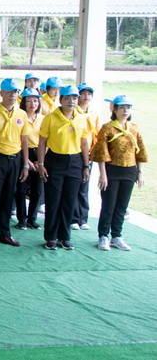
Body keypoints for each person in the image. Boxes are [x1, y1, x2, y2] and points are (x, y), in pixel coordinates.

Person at [90, 95, 148, 251]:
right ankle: (103, 236)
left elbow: (140, 151)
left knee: (122, 206)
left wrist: (140, 172)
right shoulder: (107, 128)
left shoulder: (134, 128)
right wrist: (103, 175)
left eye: (128, 108)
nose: (125, 111)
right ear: (114, 109)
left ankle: (116, 236)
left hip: (129, 171)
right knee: (108, 205)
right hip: (112, 170)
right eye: (121, 107)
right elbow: (101, 153)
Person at [37, 85, 90, 251]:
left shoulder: (81, 119)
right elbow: (42, 143)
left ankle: (65, 237)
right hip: (55, 161)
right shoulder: (50, 118)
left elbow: (84, 143)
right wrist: (41, 164)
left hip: (75, 162)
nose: (71, 102)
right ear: (60, 100)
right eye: (67, 98)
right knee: (53, 201)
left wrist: (86, 165)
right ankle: (51, 237)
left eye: (74, 98)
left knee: (69, 201)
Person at [0, 79, 29, 248]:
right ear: (1, 93)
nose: (13, 95)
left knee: (9, 197)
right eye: (9, 92)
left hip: (15, 159)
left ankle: (5, 233)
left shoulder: (21, 114)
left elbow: (24, 140)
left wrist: (25, 164)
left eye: (15, 92)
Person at [14, 88, 44, 230]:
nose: (32, 104)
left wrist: (40, 160)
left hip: (39, 155)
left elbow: (47, 140)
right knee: (21, 188)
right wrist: (27, 161)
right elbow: (18, 140)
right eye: (29, 101)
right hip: (22, 153)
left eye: (35, 100)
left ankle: (32, 218)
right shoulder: (19, 118)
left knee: (37, 190)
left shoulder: (43, 119)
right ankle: (21, 219)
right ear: (23, 103)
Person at [72, 82, 100, 230]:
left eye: (89, 94)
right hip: (75, 152)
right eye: (83, 93)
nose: (86, 96)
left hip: (88, 154)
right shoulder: (73, 112)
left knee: (84, 185)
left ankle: (83, 218)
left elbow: (96, 135)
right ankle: (73, 218)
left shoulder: (93, 114)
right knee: (74, 186)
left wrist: (93, 153)